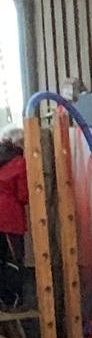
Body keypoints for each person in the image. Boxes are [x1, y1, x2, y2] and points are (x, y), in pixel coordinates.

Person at [0, 126, 29, 312]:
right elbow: (23, 195)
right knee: (13, 261)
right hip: (9, 219)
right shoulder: (19, 162)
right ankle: (14, 301)